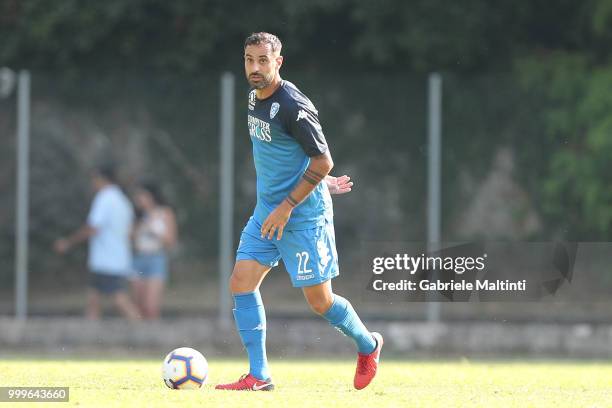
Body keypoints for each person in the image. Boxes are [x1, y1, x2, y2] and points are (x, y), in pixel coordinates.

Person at [215, 32, 383, 392]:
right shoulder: (252, 97)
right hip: (268, 212)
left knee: (320, 302)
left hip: (301, 216)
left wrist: (291, 204)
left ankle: (368, 345)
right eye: (249, 59)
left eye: (263, 60)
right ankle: (259, 375)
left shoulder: (292, 105)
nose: (255, 68)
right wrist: (307, 187)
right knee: (240, 283)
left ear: (279, 62)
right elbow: (296, 157)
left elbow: (323, 160)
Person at [54, 165, 140, 321]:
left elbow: (93, 227)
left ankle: (142, 329)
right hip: (116, 258)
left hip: (107, 259)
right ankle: (91, 333)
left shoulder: (104, 198)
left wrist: (68, 242)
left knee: (118, 298)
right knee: (93, 297)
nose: (92, 183)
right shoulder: (123, 200)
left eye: (94, 179)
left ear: (102, 179)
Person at [130, 182, 177, 319]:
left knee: (151, 306)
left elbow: (171, 240)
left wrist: (155, 232)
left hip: (156, 259)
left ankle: (154, 336)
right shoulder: (137, 215)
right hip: (138, 258)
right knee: (138, 305)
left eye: (142, 195)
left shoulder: (165, 213)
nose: (139, 199)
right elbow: (130, 238)